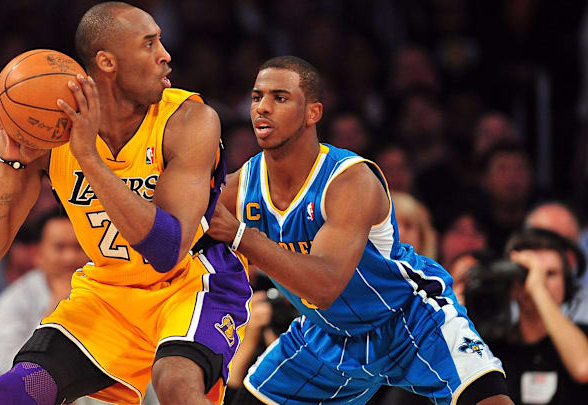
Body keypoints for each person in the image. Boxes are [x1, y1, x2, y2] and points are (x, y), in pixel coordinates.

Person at [0, 2, 251, 405]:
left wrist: (90, 160)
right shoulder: (55, 134)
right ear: (107, 62)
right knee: (18, 390)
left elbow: (166, 249)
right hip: (111, 291)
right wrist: (11, 161)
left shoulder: (188, 121)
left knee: (177, 386)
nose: (165, 55)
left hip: (193, 284)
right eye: (149, 44)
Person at [206, 56, 513, 405]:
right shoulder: (243, 185)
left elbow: (324, 286)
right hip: (326, 333)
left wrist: (239, 236)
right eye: (256, 96)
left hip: (408, 319)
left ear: (313, 113)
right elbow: (178, 225)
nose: (262, 107)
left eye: (280, 97)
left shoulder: (349, 179)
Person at [489, 228, 588, 404]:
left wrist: (537, 289)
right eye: (527, 272)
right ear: (511, 282)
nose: (538, 279)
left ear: (566, 285)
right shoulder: (492, 350)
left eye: (550, 274)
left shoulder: (581, 339)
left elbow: (583, 368)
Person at [0, 211, 88, 376]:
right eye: (59, 247)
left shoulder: (110, 291)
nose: (70, 257)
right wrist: (57, 308)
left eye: (79, 247)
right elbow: (4, 367)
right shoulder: (12, 302)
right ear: (38, 254)